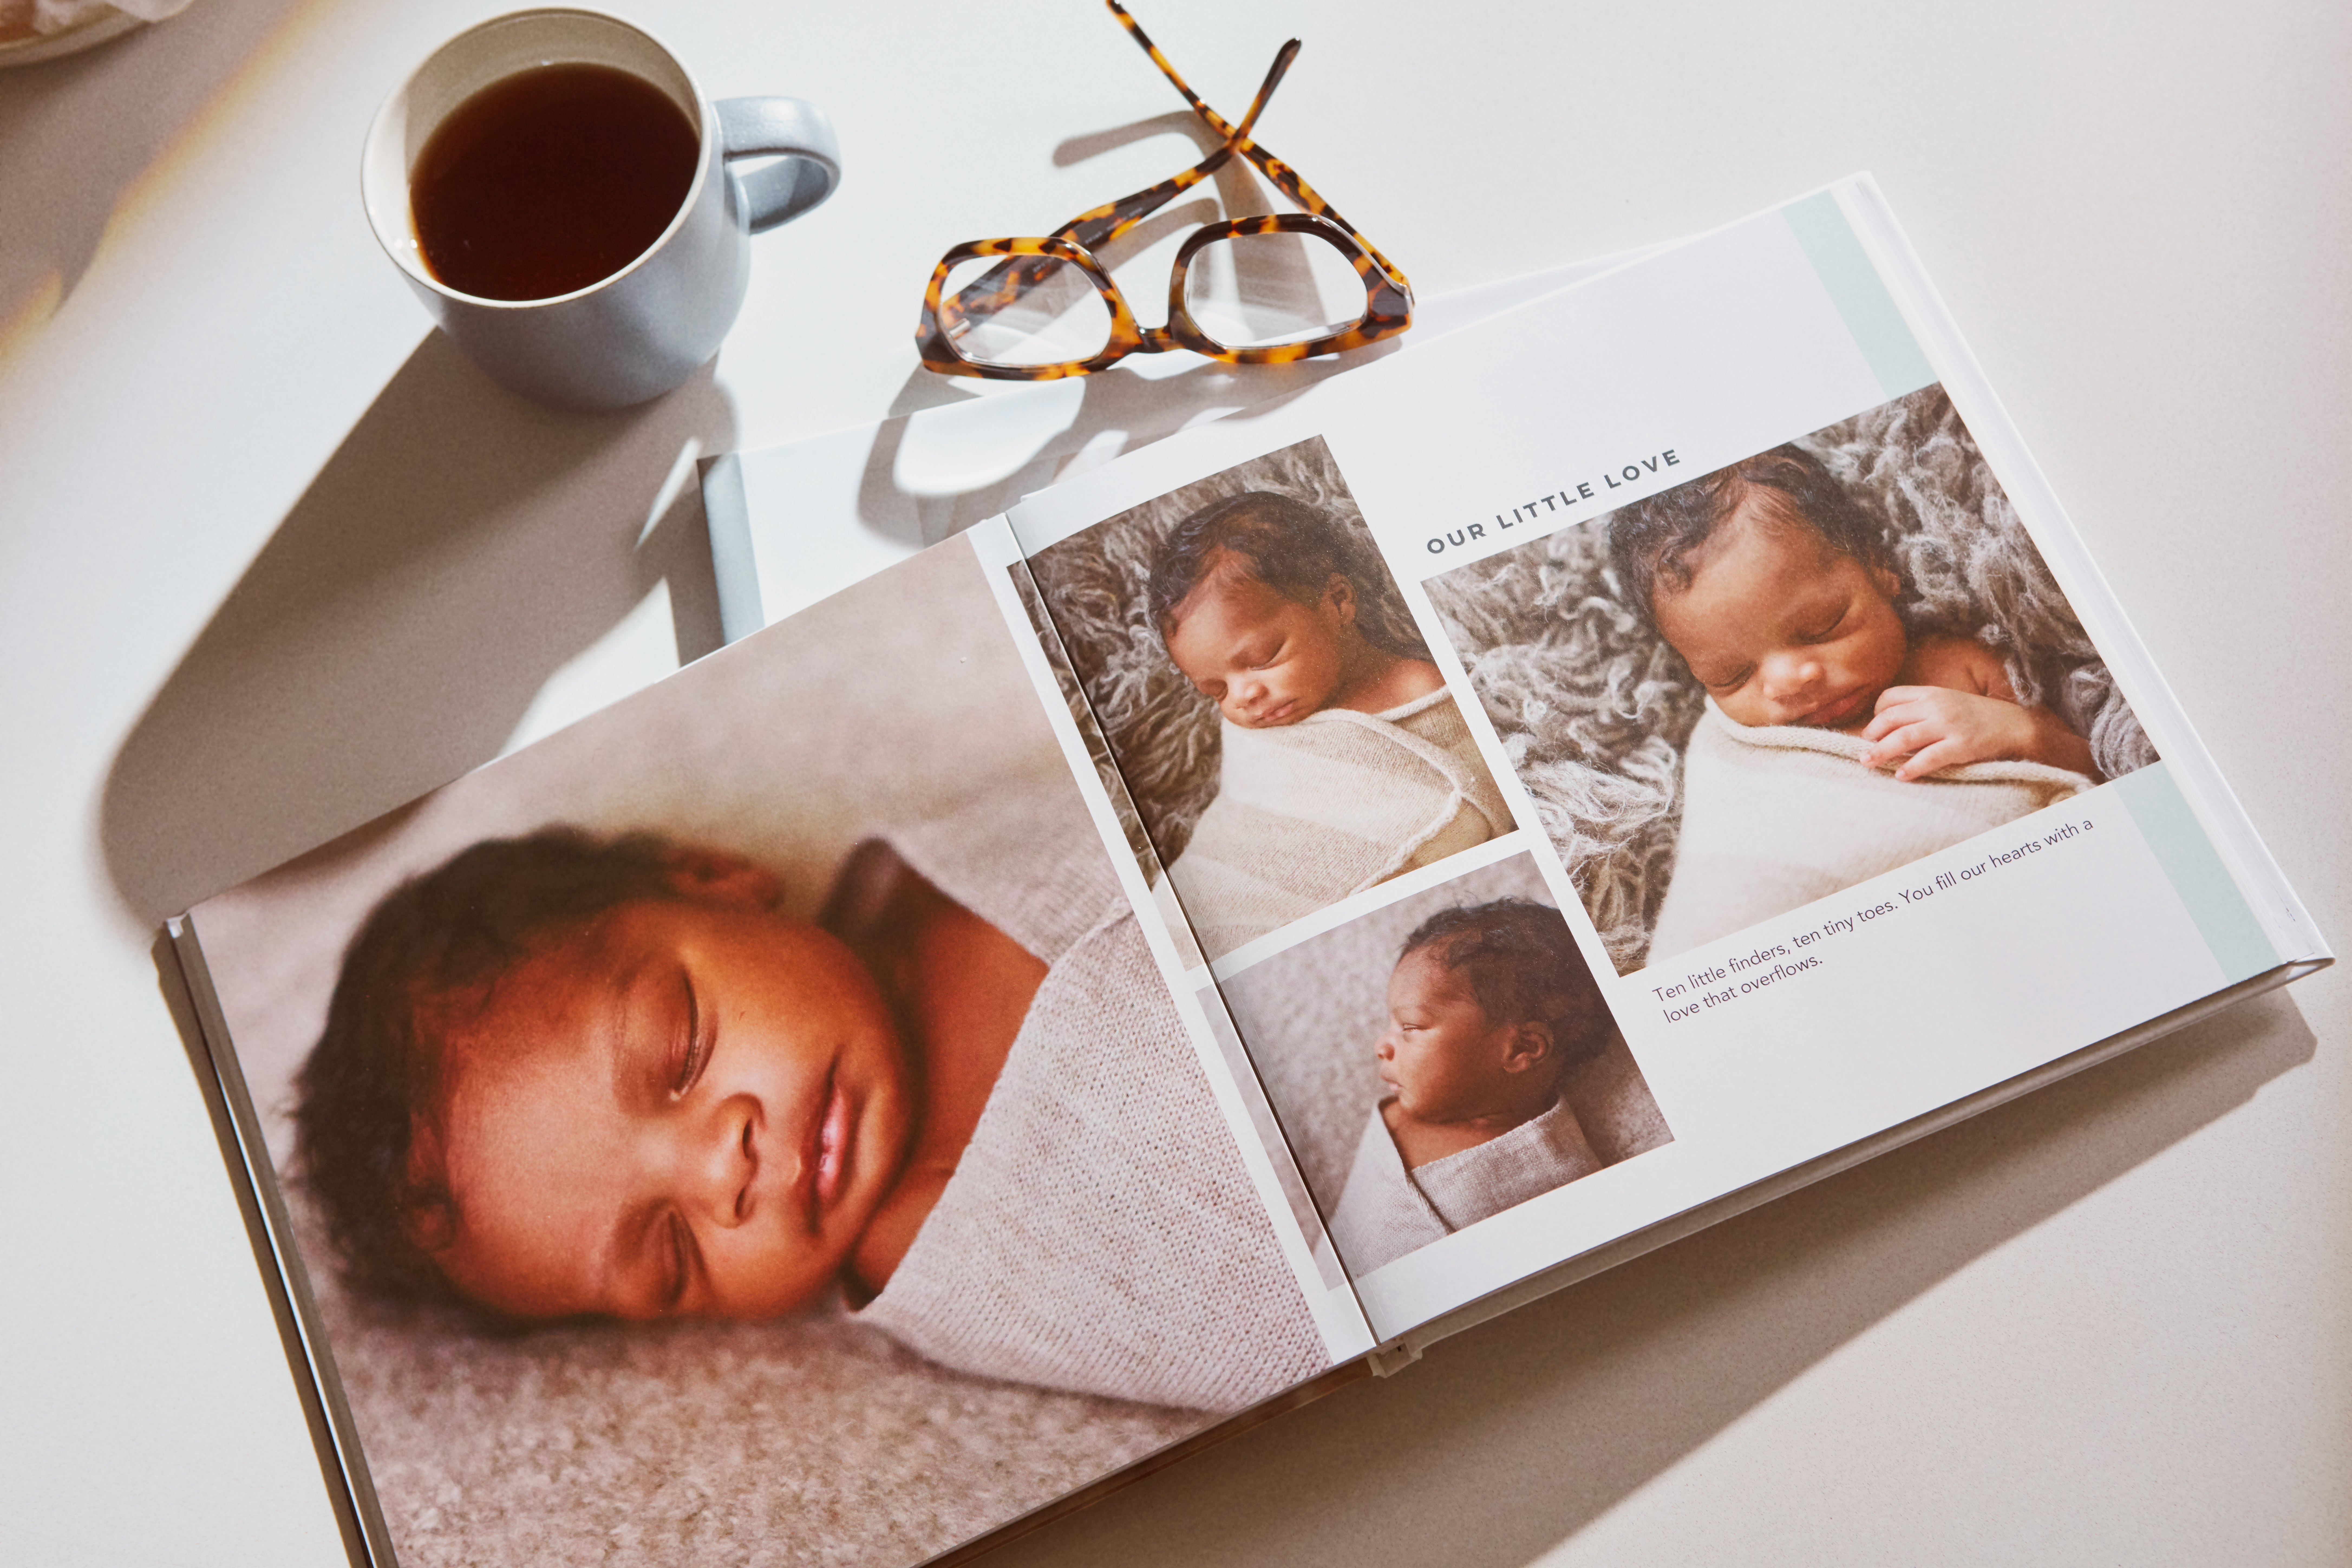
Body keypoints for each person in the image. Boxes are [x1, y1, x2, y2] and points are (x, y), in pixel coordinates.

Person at [292, 824, 1326, 1411]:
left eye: (680, 1051)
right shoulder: (925, 1249)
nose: (722, 1172)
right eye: (669, 1253)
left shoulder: (941, 856)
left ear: (708, 874)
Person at [1141, 491, 1510, 958]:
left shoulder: (1416, 685)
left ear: (1337, 602)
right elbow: (1247, 820)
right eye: (1214, 690)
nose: (1243, 697)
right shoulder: (1259, 726)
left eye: (1262, 659)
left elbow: (1474, 775)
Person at [1608, 446, 2098, 781]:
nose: (1789, 681)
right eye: (1730, 676)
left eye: (1824, 626)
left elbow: (2096, 773)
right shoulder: (1743, 749)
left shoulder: (1959, 668)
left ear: (1877, 565)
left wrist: (2016, 731)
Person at [1326, 899, 1608, 1275]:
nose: (1382, 1045)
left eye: (1410, 1027)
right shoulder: (1411, 1108)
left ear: (1522, 1048)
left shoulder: (1551, 1178)